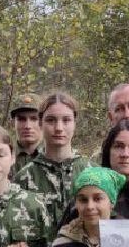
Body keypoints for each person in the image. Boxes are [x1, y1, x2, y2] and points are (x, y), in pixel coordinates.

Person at [15, 91, 87, 224]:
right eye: (51, 120)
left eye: (66, 120)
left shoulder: (92, 173)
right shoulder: (23, 178)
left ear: (74, 123)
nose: (59, 128)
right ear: (41, 124)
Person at [50, 166, 124, 247]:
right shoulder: (60, 245)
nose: (90, 206)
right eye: (83, 200)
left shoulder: (128, 245)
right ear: (76, 203)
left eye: (97, 199)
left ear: (112, 202)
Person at [9, 92, 44, 177]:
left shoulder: (55, 155)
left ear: (43, 122)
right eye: (21, 119)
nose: (28, 126)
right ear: (12, 122)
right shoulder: (3, 156)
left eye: (34, 119)